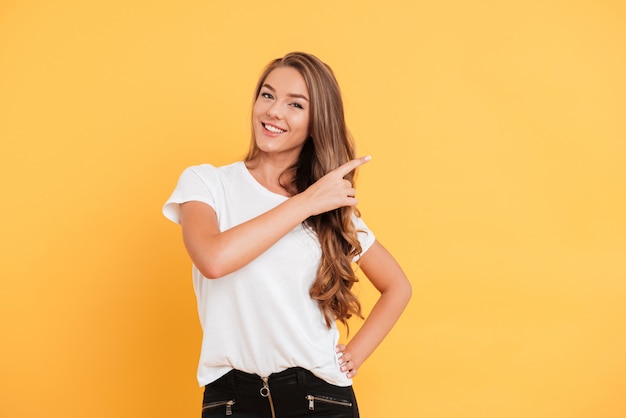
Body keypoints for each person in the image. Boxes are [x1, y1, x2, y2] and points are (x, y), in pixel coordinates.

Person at [163, 51, 411, 418]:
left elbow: (398, 287)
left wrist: (352, 356)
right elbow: (214, 260)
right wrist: (305, 203)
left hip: (319, 398)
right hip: (231, 399)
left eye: (295, 104)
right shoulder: (206, 183)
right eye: (267, 95)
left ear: (315, 122)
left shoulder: (327, 207)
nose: (274, 111)